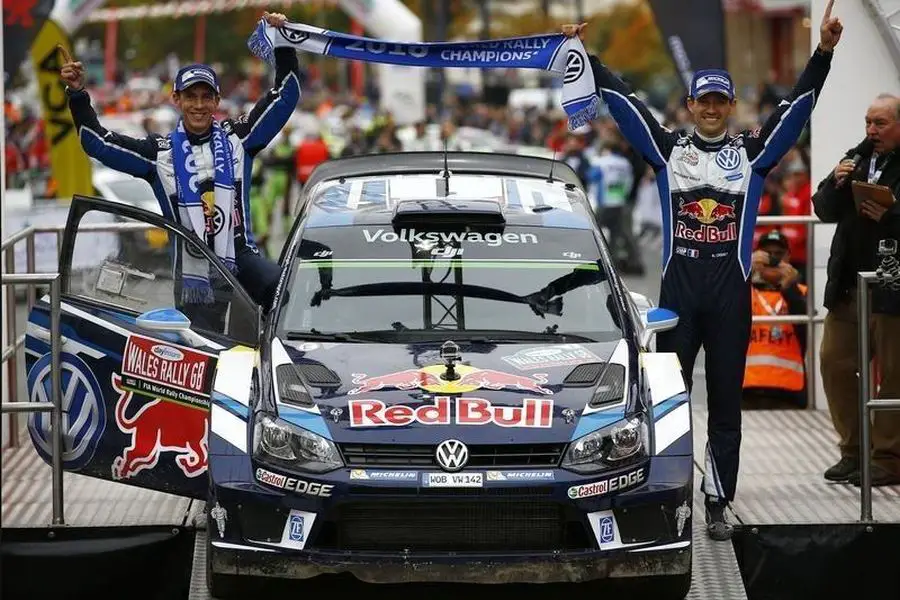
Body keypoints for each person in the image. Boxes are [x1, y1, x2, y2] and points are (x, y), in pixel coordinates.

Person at [563, 0, 843, 540]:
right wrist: (588, 59)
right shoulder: (668, 153)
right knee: (667, 403)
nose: (712, 109)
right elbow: (626, 105)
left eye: (720, 101)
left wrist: (824, 55)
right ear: (691, 106)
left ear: (731, 105)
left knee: (725, 406)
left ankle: (717, 503)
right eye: (704, 101)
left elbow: (796, 107)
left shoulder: (754, 154)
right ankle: (667, 498)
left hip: (730, 296)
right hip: (678, 295)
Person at [58, 11, 301, 315]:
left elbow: (287, 95)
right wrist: (78, 94)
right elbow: (96, 142)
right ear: (176, 99)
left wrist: (283, 41)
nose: (198, 105)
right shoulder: (158, 154)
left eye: (206, 96)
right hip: (192, 276)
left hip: (240, 260)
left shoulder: (239, 137)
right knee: (207, 357)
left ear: (216, 101)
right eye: (191, 96)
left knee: (289, 297)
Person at [812, 93, 900, 487]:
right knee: (834, 363)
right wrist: (835, 181)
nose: (871, 131)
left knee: (895, 375)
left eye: (880, 123)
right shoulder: (857, 157)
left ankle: (888, 456)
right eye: (868, 122)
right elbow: (824, 209)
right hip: (849, 285)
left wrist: (893, 215)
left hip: (892, 286)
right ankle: (854, 450)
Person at [743, 230, 808, 410]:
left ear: (788, 257)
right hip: (746, 392)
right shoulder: (742, 291)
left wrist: (790, 287)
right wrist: (745, 272)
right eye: (766, 255)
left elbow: (807, 334)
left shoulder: (802, 293)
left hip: (789, 395)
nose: (772, 260)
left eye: (779, 255)